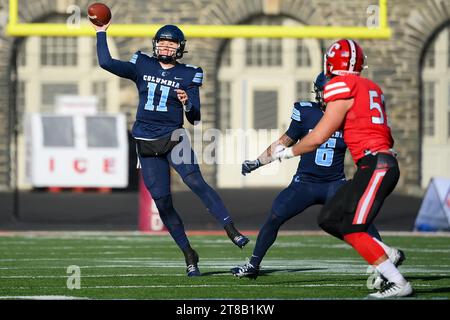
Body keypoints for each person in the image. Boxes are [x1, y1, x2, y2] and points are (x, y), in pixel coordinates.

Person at [91, 21, 249, 277]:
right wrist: (101, 32)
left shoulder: (188, 74)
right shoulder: (142, 64)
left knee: (196, 182)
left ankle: (231, 229)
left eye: (171, 42)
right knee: (163, 203)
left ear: (180, 48)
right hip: (146, 141)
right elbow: (106, 62)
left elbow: (195, 118)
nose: (165, 46)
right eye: (162, 41)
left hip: (174, 137)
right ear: (155, 44)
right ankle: (188, 253)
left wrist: (187, 103)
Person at [231, 73, 402, 286]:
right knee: (275, 215)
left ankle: (384, 265)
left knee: (362, 220)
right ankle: (253, 265)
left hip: (335, 182)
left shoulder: (347, 115)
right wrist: (257, 162)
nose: (326, 95)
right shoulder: (306, 112)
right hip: (305, 183)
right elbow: (284, 141)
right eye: (324, 90)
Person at [273, 39, 412, 298]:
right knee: (327, 218)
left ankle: (399, 282)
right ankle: (387, 252)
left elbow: (318, 137)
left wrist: (287, 152)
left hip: (376, 164)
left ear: (330, 64)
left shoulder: (341, 85)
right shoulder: (372, 87)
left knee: (353, 228)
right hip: (378, 162)